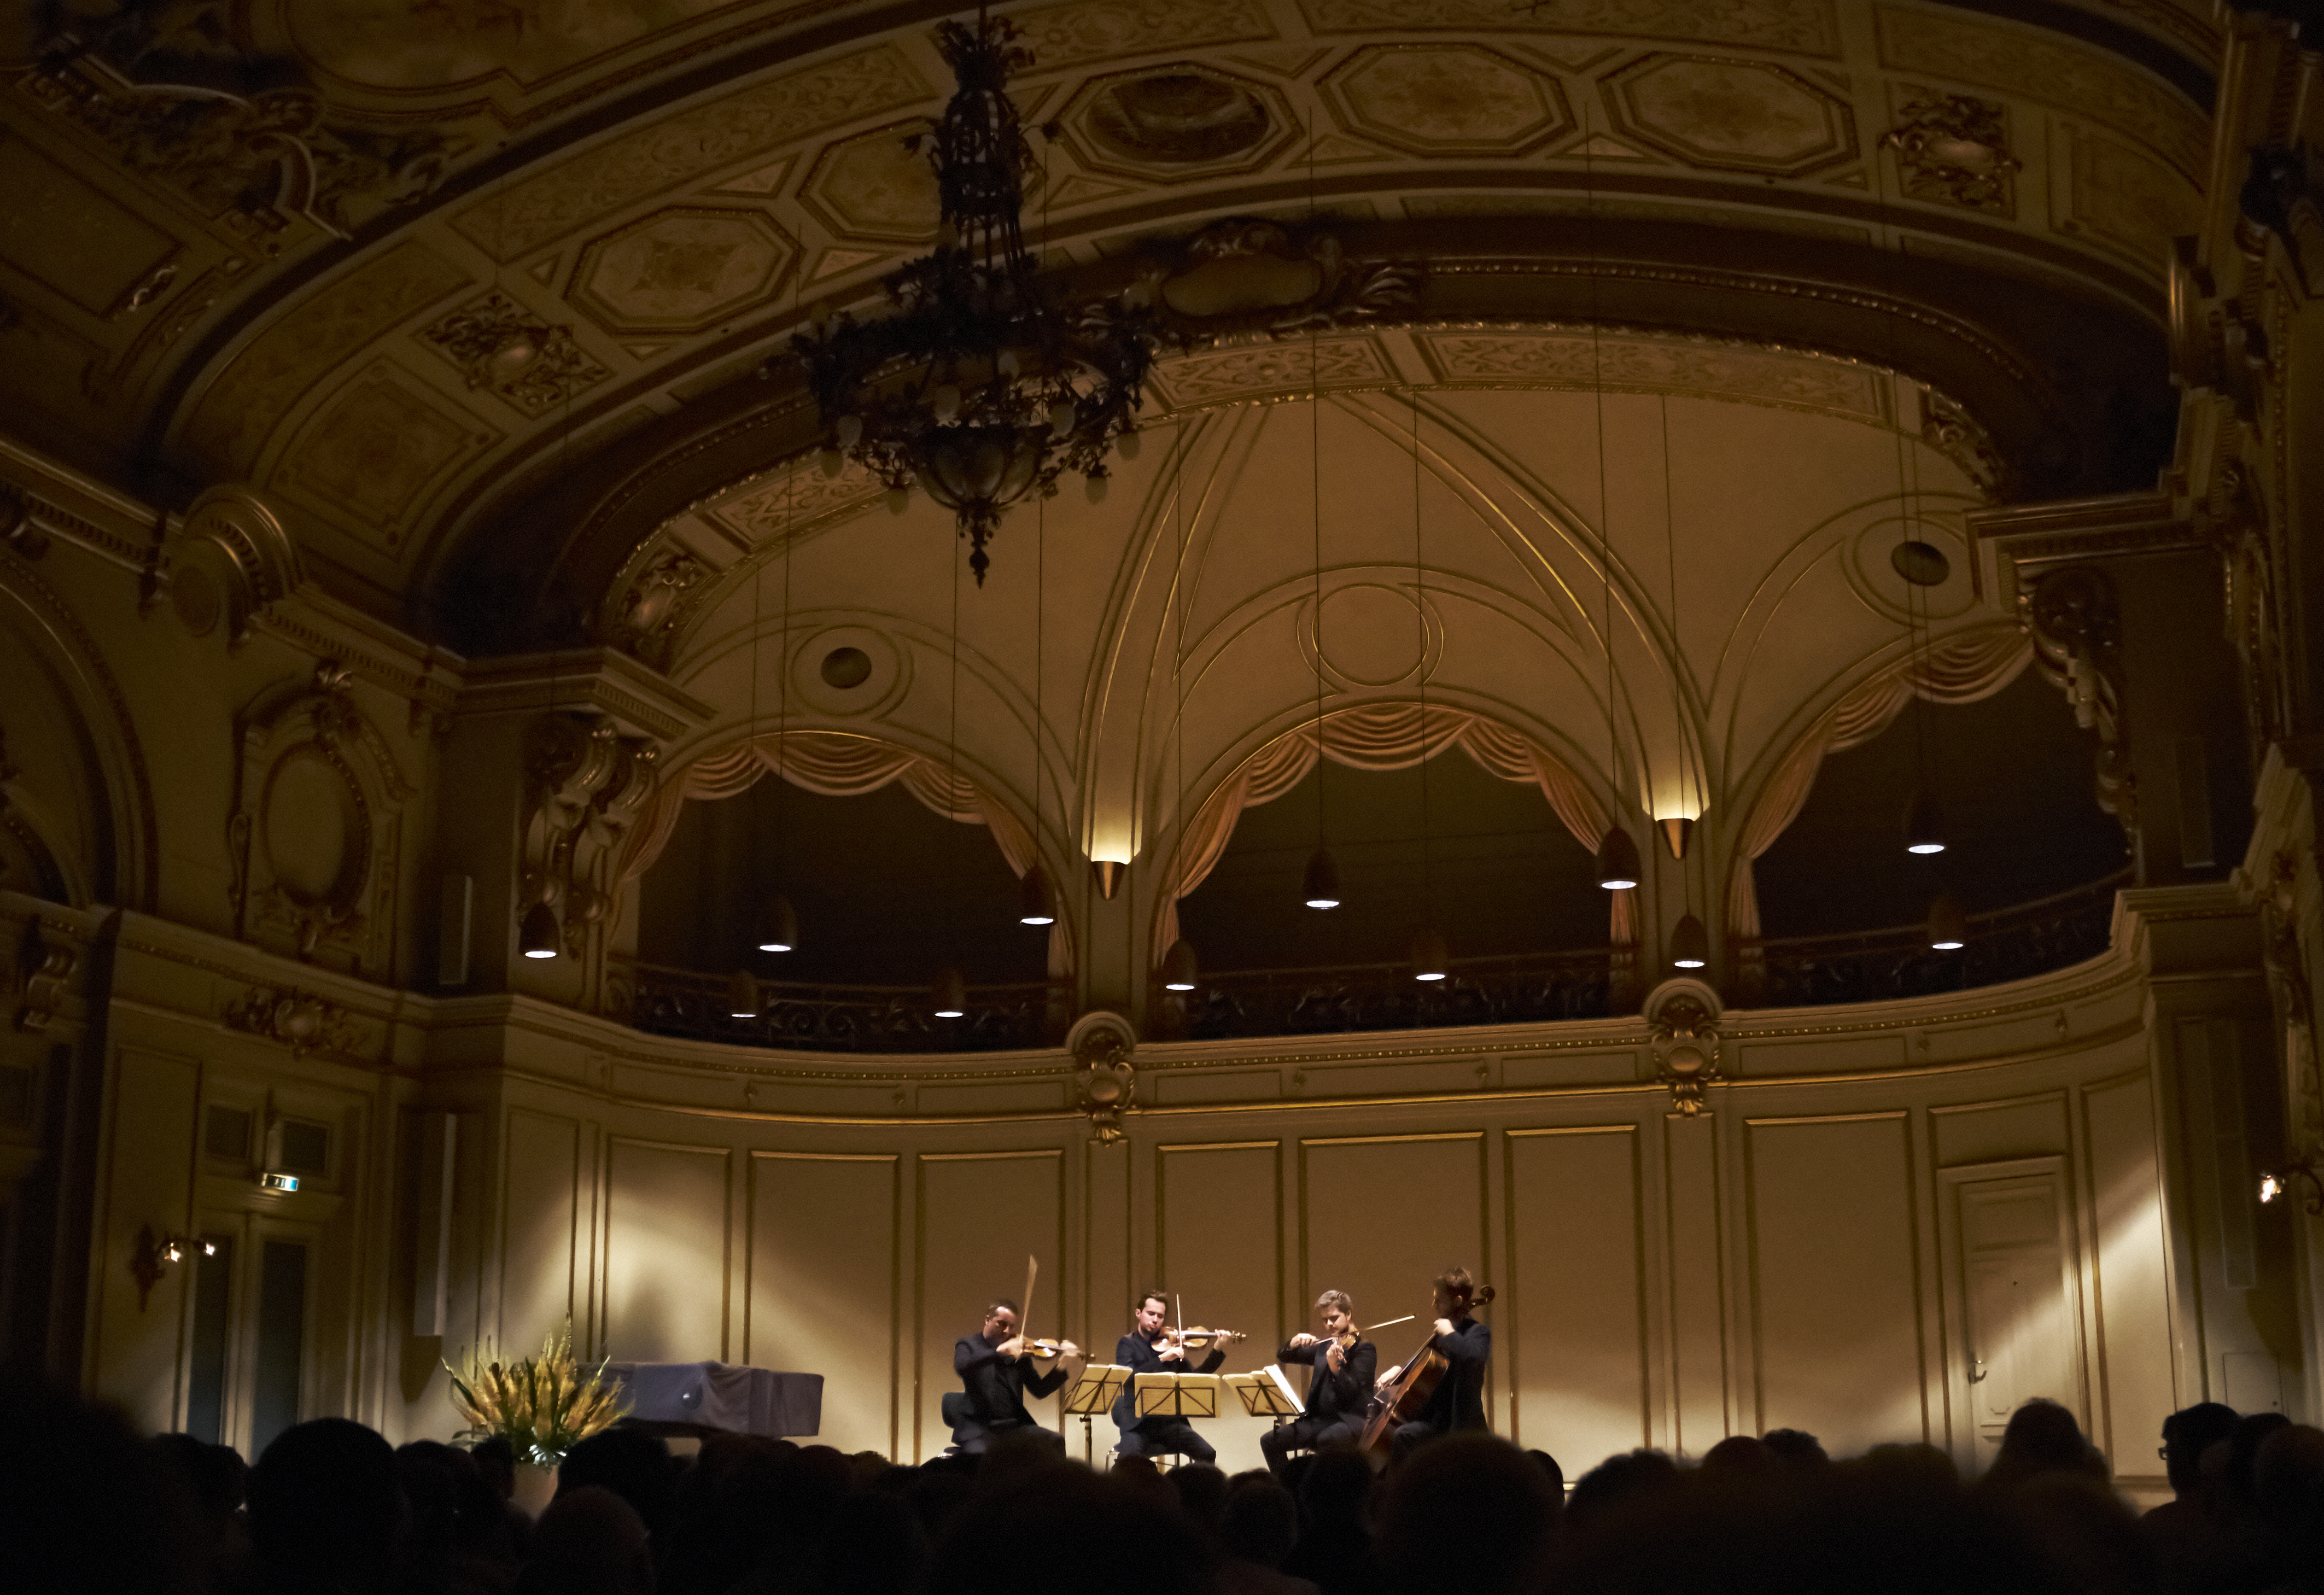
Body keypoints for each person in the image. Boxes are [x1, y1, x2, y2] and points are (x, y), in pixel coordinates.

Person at [1376, 1267, 1491, 1464]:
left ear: (1458, 1301)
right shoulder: (1443, 1333)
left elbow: (1472, 1357)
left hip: (1457, 1423)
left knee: (1404, 1435)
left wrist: (1450, 1334)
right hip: (1434, 1419)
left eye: (1439, 1300)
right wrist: (1400, 1369)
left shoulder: (1478, 1332)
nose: (1433, 1304)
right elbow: (1427, 1364)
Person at [1114, 1289, 1237, 1464]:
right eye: (1151, 1314)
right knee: (1129, 1461)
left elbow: (1196, 1378)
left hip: (1169, 1424)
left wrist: (1217, 1349)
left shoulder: (1170, 1345)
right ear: (1138, 1313)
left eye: (1160, 1316)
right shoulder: (1127, 1344)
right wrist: (1163, 1358)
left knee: (1207, 1453)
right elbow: (1129, 1377)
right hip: (1138, 1426)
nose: (1156, 1320)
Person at [1263, 1289, 1379, 1476]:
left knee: (1327, 1440)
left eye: (1334, 1318)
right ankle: (1289, 1491)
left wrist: (1336, 1367)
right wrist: (1294, 1342)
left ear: (1348, 1314)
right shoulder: (1325, 1346)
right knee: (1270, 1441)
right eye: (1325, 1320)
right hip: (1319, 1419)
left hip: (1349, 1419)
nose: (1329, 1324)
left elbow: (1352, 1390)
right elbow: (1284, 1355)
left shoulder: (1364, 1349)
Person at [953, 1296, 1080, 1454]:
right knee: (982, 1457)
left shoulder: (1019, 1354)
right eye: (1002, 1324)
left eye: (1011, 1327)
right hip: (979, 1428)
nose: (1007, 1331)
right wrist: (1000, 1351)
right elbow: (963, 1367)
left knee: (1055, 1442)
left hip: (1014, 1427)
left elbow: (1039, 1390)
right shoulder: (969, 1345)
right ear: (988, 1320)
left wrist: (1062, 1365)